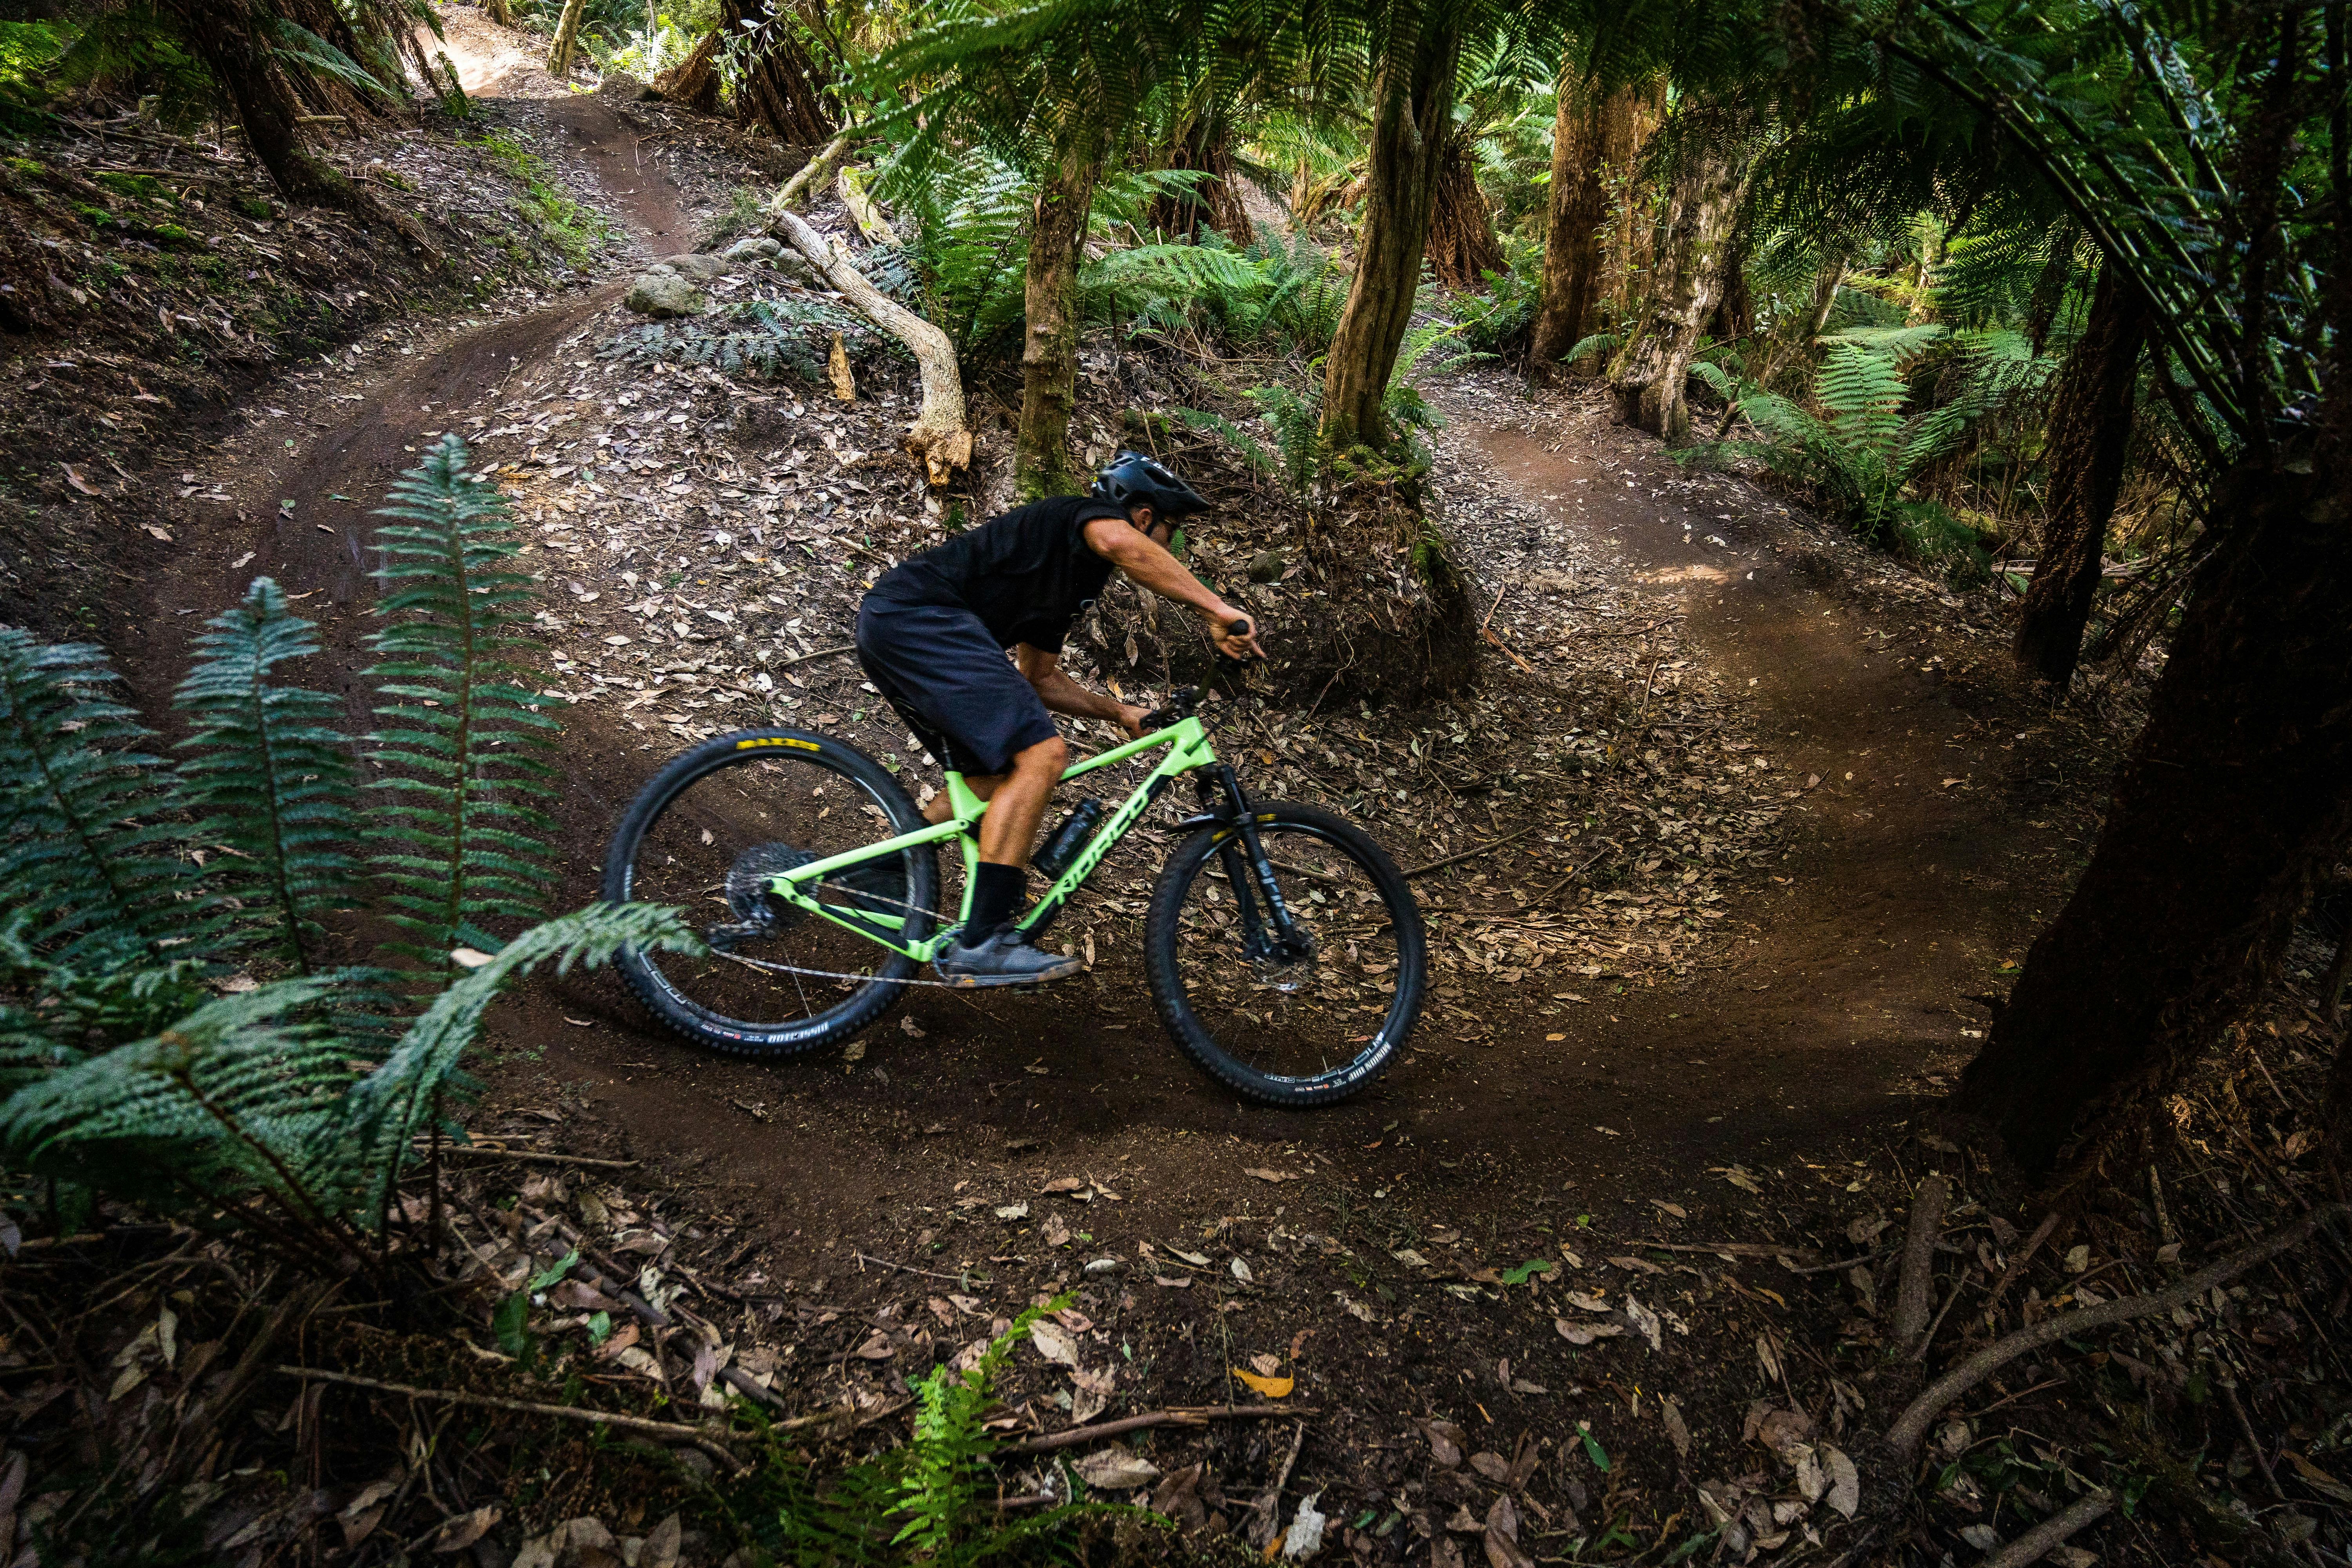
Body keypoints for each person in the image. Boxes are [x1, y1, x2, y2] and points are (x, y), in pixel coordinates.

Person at [855, 452, 1265, 985]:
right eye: (1171, 528)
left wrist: (1120, 711)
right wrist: (1217, 609)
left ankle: (878, 871)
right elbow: (1120, 543)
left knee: (998, 776)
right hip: (921, 618)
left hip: (901, 628)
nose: (1171, 543)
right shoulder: (1080, 518)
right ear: (1143, 517)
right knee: (1043, 755)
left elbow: (1039, 677)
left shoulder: (1073, 579)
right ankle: (985, 940)